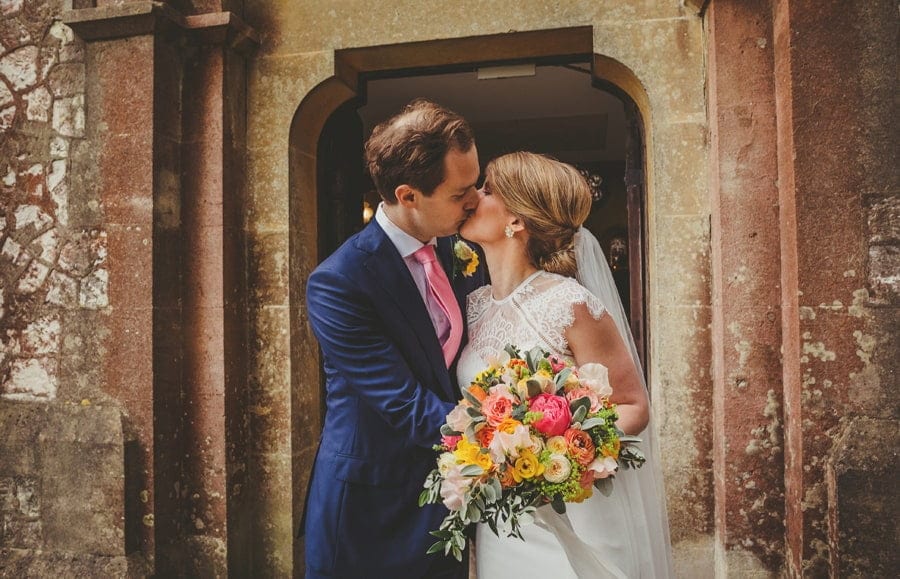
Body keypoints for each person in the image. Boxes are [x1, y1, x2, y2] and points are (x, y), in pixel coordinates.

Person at [457, 151, 674, 578]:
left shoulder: (569, 304)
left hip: (570, 514)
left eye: (486, 190)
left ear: (515, 220)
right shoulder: (473, 305)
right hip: (503, 521)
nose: (472, 197)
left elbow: (633, 405)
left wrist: (552, 457)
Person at [303, 99, 485, 578]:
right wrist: (506, 439)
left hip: (447, 495)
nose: (475, 201)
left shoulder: (458, 246)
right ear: (408, 196)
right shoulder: (339, 282)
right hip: (371, 506)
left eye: (476, 184)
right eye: (460, 192)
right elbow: (402, 401)